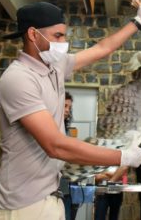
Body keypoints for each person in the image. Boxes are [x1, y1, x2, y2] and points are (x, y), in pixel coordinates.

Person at [0, 0, 141, 219]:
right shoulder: (18, 79)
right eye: (57, 36)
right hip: (23, 205)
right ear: (32, 34)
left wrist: (138, 21)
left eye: (64, 35)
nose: (63, 42)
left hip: (51, 196)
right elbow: (55, 146)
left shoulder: (55, 66)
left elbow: (102, 48)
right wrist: (123, 157)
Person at [58, 91, 80, 220]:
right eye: (65, 106)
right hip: (54, 191)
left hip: (69, 188)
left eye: (69, 108)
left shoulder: (66, 131)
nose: (67, 110)